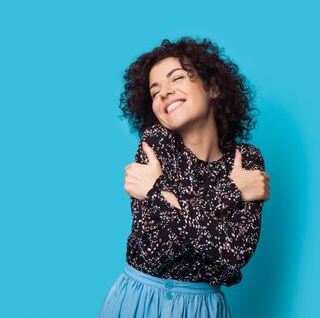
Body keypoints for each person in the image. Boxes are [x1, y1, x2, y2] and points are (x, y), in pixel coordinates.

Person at [98, 37, 272, 318]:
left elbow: (234, 256)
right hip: (140, 300)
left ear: (213, 87)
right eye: (155, 92)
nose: (164, 93)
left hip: (204, 308)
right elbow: (155, 250)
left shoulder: (246, 159)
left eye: (176, 78)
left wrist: (157, 193)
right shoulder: (156, 144)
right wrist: (231, 191)